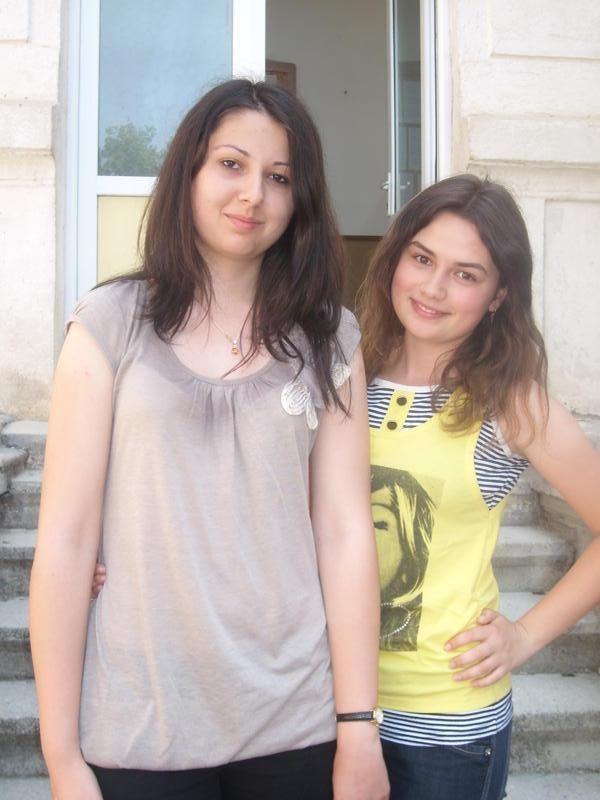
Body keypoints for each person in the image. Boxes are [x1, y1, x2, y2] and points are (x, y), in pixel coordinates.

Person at [29, 79, 389, 800]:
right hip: (140, 723)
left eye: (279, 177)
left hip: (294, 719)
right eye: (231, 164)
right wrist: (61, 756)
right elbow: (66, 539)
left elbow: (346, 531)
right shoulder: (108, 323)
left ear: (300, 199)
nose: (253, 193)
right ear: (188, 173)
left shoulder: (330, 338)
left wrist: (358, 726)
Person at [357, 173, 600, 800]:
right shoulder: (347, 373)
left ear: (498, 295)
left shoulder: (509, 403)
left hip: (448, 728)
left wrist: (525, 635)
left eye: (466, 274)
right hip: (330, 707)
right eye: (422, 259)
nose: (433, 288)